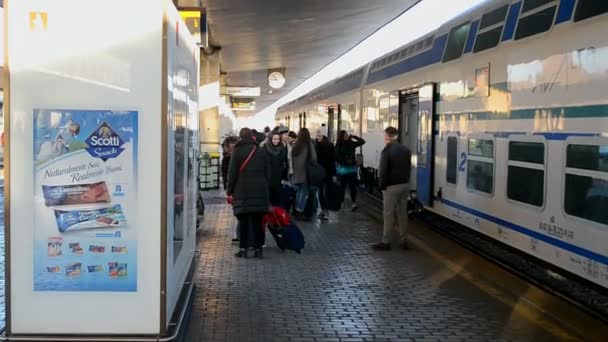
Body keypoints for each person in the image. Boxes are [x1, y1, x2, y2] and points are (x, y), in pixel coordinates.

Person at [226, 128, 271, 259]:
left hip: (242, 190)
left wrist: (229, 190)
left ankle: (244, 249)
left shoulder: (237, 151)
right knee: (258, 222)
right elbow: (268, 172)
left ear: (240, 137)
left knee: (244, 221)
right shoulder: (261, 150)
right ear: (252, 137)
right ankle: (258, 249)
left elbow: (232, 172)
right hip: (260, 190)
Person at [372, 127, 411, 251]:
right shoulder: (405, 149)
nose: (384, 138)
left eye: (385, 136)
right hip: (404, 185)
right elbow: (409, 168)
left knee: (388, 215)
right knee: (402, 214)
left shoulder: (387, 150)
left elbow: (383, 171)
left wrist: (381, 186)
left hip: (391, 187)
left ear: (388, 136)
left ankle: (386, 241)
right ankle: (403, 240)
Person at [291, 128, 317, 220]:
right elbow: (314, 158)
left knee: (298, 192)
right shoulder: (309, 145)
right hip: (305, 173)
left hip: (296, 173)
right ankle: (299, 210)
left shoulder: (295, 145)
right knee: (303, 192)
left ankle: (296, 210)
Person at [335, 130, 365, 210]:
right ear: (341, 137)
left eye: (347, 135)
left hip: (350, 169)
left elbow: (362, 141)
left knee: (352, 187)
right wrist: (345, 162)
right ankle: (342, 202)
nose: (347, 136)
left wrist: (354, 137)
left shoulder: (350, 143)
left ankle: (353, 203)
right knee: (342, 187)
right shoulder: (340, 145)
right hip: (344, 169)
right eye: (345, 135)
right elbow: (336, 157)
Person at [314, 127, 336, 220]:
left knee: (324, 193)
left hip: (327, 173)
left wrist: (333, 174)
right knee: (320, 193)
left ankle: (325, 211)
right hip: (319, 173)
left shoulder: (329, 145)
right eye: (317, 134)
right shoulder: (314, 144)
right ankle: (323, 211)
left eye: (320, 134)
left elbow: (332, 161)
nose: (318, 136)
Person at [265, 131, 287, 206]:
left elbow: (284, 161)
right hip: (268, 176)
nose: (276, 141)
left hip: (278, 177)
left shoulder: (282, 148)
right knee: (268, 197)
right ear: (271, 139)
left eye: (278, 139)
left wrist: (283, 171)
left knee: (277, 198)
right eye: (274, 139)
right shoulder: (265, 148)